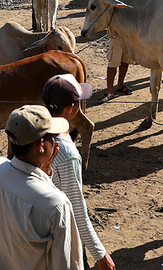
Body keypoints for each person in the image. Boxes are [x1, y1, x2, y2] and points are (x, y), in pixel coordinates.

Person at [0, 105, 81, 269]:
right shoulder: (56, 204)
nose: (56, 142)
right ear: (41, 145)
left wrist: (43, 172)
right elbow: (66, 264)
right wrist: (44, 174)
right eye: (53, 138)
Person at [42, 76, 116, 270]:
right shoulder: (66, 153)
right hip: (61, 235)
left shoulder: (33, 132)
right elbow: (76, 209)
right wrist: (100, 254)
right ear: (71, 108)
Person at [103, 0, 135, 99]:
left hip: (128, 34)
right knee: (113, 62)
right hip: (116, 34)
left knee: (126, 61)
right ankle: (109, 90)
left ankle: (120, 84)